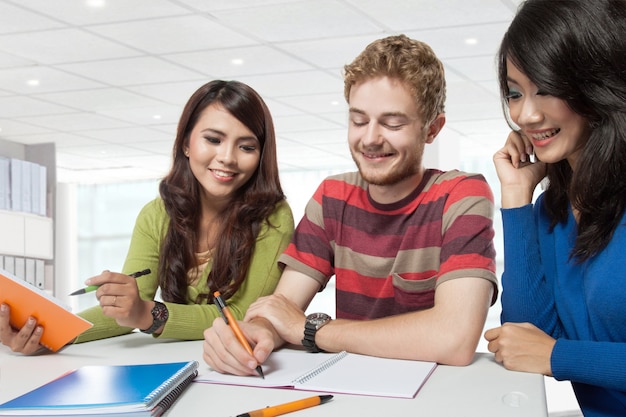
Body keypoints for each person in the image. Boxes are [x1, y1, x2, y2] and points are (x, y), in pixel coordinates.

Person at [203, 34, 498, 377]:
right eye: (358, 120)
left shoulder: (461, 196)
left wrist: (313, 330)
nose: (370, 139)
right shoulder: (333, 196)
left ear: (432, 129)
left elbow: (455, 339)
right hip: (353, 389)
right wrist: (258, 334)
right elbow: (283, 308)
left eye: (392, 123)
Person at [0, 80, 294, 354]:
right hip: (170, 362)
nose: (228, 157)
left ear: (261, 155)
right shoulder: (157, 215)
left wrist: (148, 313)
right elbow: (126, 311)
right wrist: (51, 334)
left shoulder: (273, 219)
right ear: (186, 144)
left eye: (246, 147)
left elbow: (242, 316)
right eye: (213, 139)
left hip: (233, 364)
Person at [483, 0, 626, 415]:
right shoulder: (552, 212)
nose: (525, 114)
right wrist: (516, 197)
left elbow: (543, 350)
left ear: (596, 80)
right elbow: (527, 336)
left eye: (546, 87)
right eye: (514, 93)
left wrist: (558, 357)